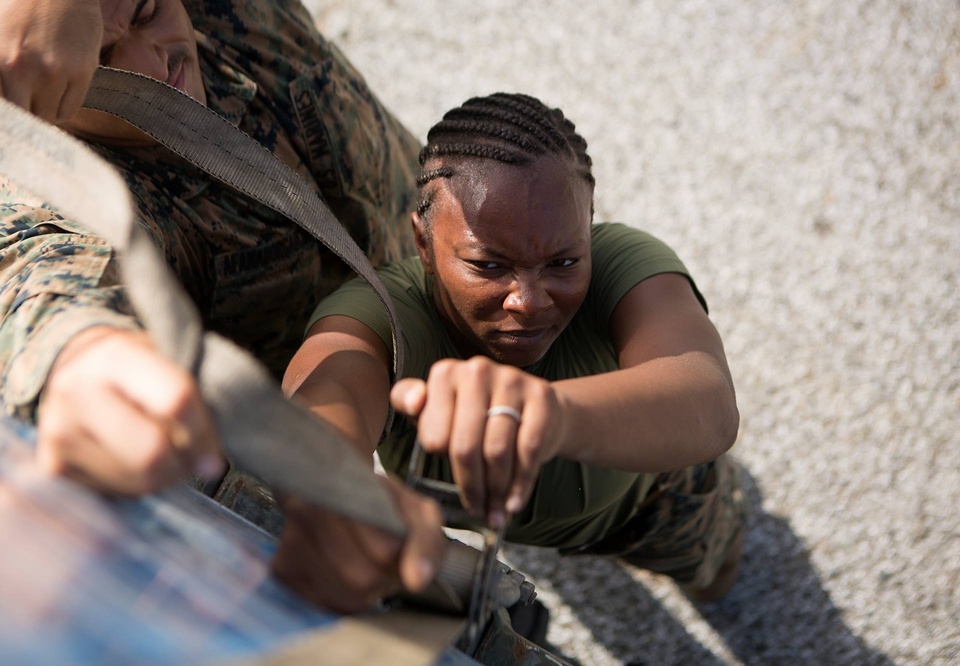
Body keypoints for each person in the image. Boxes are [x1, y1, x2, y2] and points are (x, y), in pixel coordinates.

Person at [0, 0, 445, 613]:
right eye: (104, 61)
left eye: (145, 11)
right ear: (32, 92)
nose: (151, 59)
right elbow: (30, 293)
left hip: (454, 261)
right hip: (358, 409)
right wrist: (80, 361)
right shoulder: (46, 194)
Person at [284, 92, 748, 601]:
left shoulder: (623, 263)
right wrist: (331, 493)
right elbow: (327, 398)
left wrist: (547, 414)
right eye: (488, 266)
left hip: (653, 503)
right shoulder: (382, 316)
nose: (528, 302)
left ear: (589, 229)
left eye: (564, 263)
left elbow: (707, 402)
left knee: (716, 574)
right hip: (540, 524)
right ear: (423, 243)